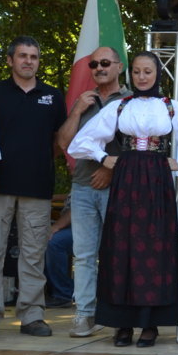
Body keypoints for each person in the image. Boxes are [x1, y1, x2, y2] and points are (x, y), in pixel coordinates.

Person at [68, 52, 178, 347]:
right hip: (126, 178)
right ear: (130, 74)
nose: (142, 77)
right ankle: (122, 324)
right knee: (121, 248)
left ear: (157, 74)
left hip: (157, 180)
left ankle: (150, 325)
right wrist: (103, 157)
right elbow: (80, 143)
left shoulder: (171, 107)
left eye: (148, 71)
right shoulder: (120, 106)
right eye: (136, 71)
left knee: (155, 248)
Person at [0, 36, 66, 338]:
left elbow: (59, 141)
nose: (28, 61)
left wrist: (37, 160)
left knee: (33, 255)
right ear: (10, 60)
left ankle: (32, 315)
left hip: (38, 186)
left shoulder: (52, 96)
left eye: (33, 57)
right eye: (23, 56)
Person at [56, 46, 127, 338]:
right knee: (83, 255)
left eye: (105, 63)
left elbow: (140, 147)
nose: (99, 68)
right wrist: (76, 110)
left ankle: (116, 314)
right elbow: (64, 143)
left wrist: (110, 169)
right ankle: (85, 314)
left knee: (117, 254)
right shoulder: (84, 100)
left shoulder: (132, 101)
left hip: (118, 188)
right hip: (83, 187)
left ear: (119, 66)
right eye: (94, 64)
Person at [44, 204, 73, 307]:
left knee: (53, 242)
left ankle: (63, 294)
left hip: (85, 226)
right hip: (71, 223)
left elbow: (76, 208)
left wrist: (56, 226)